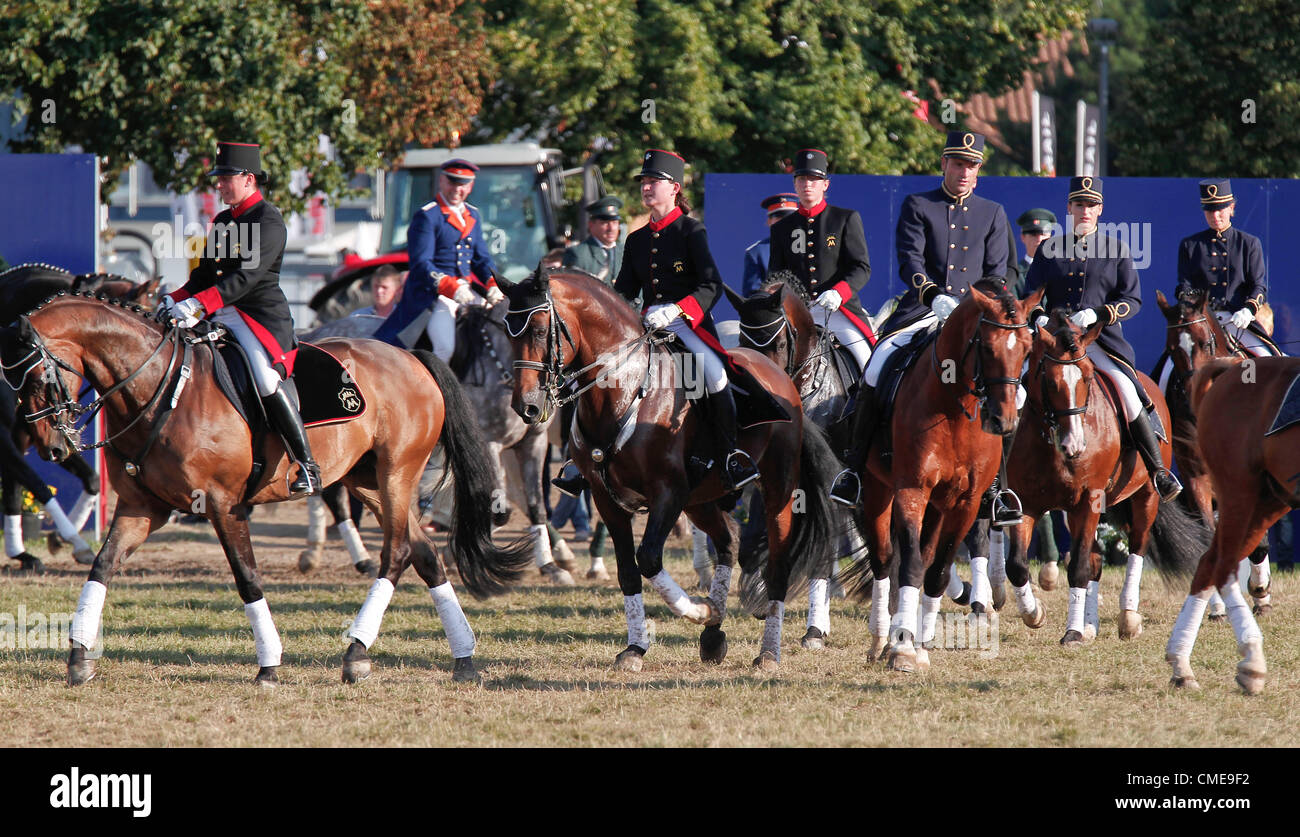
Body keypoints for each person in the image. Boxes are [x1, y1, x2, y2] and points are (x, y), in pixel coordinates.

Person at [831, 130, 1011, 508]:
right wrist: (933, 296)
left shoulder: (992, 212)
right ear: (944, 164)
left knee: (1013, 387)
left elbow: (999, 273)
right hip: (923, 308)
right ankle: (853, 467)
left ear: (979, 171)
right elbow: (910, 261)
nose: (964, 171)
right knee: (876, 367)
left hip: (975, 318)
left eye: (972, 165)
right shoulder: (919, 205)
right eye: (958, 163)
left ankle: (1000, 488)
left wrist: (978, 306)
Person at [158, 141, 320, 497]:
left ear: (248, 179)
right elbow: (204, 276)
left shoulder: (269, 220)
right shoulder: (221, 221)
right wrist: (174, 298)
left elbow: (244, 279)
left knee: (264, 380)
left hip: (256, 318)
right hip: (217, 311)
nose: (218, 185)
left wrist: (198, 306)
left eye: (225, 178)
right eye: (218, 178)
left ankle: (307, 465)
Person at [1024, 175, 1182, 502]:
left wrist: (1100, 314)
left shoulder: (1116, 250)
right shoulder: (1049, 250)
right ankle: (998, 480)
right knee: (1012, 389)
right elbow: (1031, 295)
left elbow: (1132, 300)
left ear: (1100, 210)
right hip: (1054, 343)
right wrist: (1038, 315)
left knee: (1128, 392)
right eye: (1079, 204)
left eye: (1091, 205)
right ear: (1069, 207)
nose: (1085, 210)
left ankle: (1157, 470)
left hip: (1098, 341)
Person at [613, 149, 758, 490]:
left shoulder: (691, 231)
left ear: (674, 187)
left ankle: (728, 456)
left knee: (715, 376)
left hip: (685, 325)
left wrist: (677, 310)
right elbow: (624, 291)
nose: (646, 187)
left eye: (654, 182)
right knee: (602, 369)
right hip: (647, 325)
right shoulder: (635, 240)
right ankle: (581, 461)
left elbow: (711, 285)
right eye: (644, 182)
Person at [1156, 178, 1281, 392]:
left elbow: (1258, 286)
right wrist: (1192, 304)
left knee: (1272, 359)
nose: (1215, 216)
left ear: (1231, 207)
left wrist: (1248, 310)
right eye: (1209, 210)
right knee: (1165, 372)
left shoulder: (1249, 244)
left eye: (1220, 209)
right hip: (1202, 321)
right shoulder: (1191, 245)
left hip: (1239, 321)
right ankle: (1158, 420)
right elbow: (1184, 285)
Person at [372, 158, 503, 360]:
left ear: (471, 186)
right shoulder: (428, 216)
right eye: (452, 182)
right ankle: (437, 390)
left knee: (503, 325)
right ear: (442, 181)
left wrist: (492, 283)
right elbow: (422, 263)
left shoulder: (473, 215)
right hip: (435, 294)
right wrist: (451, 288)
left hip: (466, 291)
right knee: (445, 347)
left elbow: (481, 259)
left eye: (463, 185)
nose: (457, 189)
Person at [766, 149, 875, 375]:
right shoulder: (781, 229)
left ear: (825, 185)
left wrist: (838, 293)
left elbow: (861, 268)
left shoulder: (845, 219)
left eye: (814, 179)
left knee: (869, 367)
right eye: (802, 179)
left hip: (839, 311)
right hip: (797, 314)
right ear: (795, 184)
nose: (808, 184)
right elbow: (776, 276)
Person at [740, 192, 798, 296]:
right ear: (769, 221)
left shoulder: (810, 245)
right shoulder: (757, 252)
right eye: (780, 218)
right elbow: (753, 294)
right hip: (774, 309)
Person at [563, 197, 625, 283]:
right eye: (605, 223)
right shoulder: (578, 254)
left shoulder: (627, 251)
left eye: (614, 223)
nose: (611, 228)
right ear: (591, 225)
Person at [1011, 208, 1057, 297]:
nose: (1039, 239)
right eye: (1033, 234)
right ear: (1023, 237)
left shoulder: (1060, 270)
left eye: (1043, 234)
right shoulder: (1014, 274)